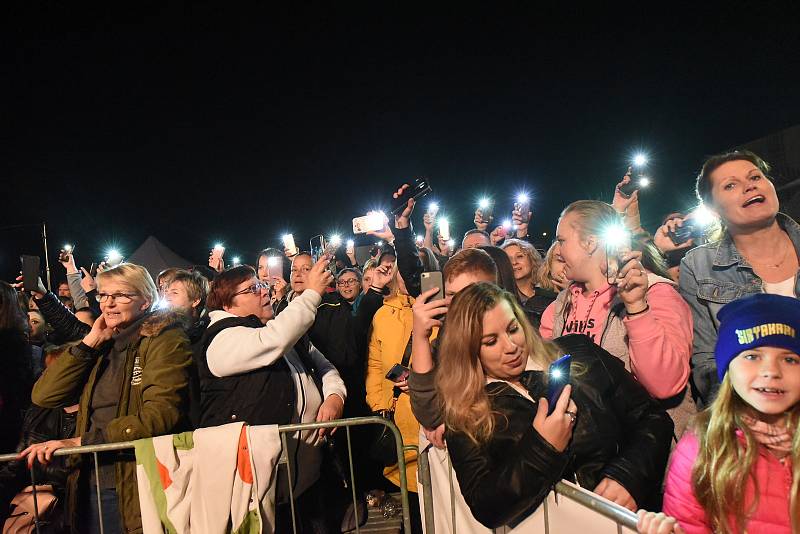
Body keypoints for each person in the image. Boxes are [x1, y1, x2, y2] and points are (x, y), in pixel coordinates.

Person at [430, 283, 672, 528]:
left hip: (632, 522)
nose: (511, 347)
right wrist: (543, 447)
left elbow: (652, 419)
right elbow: (486, 506)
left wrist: (628, 475)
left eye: (513, 329)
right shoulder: (464, 414)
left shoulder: (581, 352)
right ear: (469, 351)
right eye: (491, 342)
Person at [21, 263, 193, 534]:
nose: (108, 303)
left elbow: (161, 415)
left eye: (121, 295)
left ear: (146, 300)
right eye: (102, 295)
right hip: (89, 477)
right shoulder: (102, 343)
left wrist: (82, 442)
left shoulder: (165, 340)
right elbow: (43, 395)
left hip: (135, 478)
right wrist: (90, 341)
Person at [196, 260, 346, 531]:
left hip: (306, 484)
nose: (264, 292)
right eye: (253, 289)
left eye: (262, 285)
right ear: (227, 305)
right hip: (258, 491)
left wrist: (335, 396)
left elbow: (325, 367)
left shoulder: (277, 329)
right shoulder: (222, 340)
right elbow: (270, 343)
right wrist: (311, 294)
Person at [638, 294, 799, 533]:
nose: (770, 371)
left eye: (790, 359)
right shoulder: (701, 449)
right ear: (728, 367)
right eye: (752, 356)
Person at [541, 200, 696, 439]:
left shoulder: (657, 294)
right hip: (588, 454)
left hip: (650, 454)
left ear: (590, 242)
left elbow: (665, 385)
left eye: (562, 240)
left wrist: (636, 308)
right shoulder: (560, 306)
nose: (557, 251)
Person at [679, 150, 800, 408]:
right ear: (712, 209)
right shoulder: (698, 266)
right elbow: (707, 364)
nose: (749, 186)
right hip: (749, 418)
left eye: (755, 176)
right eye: (731, 185)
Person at [365, 255, 425, 532]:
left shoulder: (438, 310)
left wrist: (427, 382)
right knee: (410, 502)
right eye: (405, 271)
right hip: (397, 416)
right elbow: (375, 364)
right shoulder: (382, 314)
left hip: (430, 419)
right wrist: (379, 404)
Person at [502, 238, 557, 328]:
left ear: (532, 260)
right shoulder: (502, 301)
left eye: (519, 256)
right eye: (508, 259)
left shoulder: (551, 296)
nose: (514, 262)